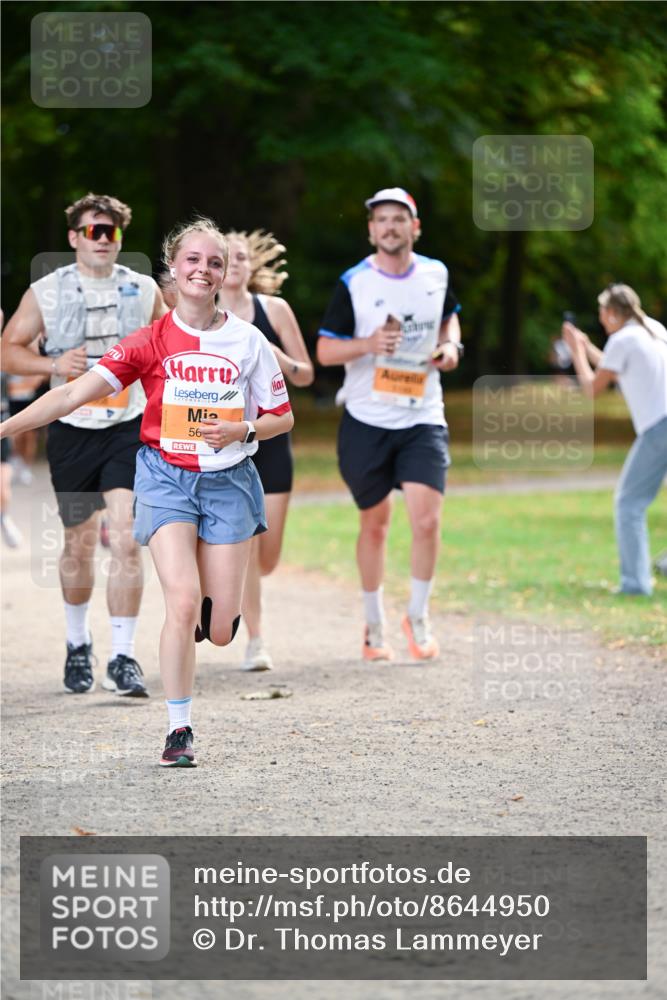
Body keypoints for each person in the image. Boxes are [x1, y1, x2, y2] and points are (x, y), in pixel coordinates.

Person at [0, 218, 294, 767]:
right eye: (193, 260)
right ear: (173, 269)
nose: (203, 269)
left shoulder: (248, 340)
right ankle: (178, 728)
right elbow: (67, 398)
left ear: (224, 272)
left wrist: (243, 430)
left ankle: (216, 617)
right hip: (166, 478)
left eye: (214, 262)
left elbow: (283, 415)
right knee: (181, 601)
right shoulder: (150, 341)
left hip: (231, 481)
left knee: (224, 630)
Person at [1, 193, 166, 696]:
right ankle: (78, 645)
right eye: (93, 231)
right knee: (79, 542)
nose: (102, 239)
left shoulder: (143, 290)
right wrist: (54, 366)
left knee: (127, 533)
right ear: (74, 237)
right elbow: (8, 349)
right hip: (71, 428)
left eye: (111, 232)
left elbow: (169, 347)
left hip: (127, 428)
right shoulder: (46, 292)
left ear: (120, 238)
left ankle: (123, 656)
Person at [317, 187, 462, 661]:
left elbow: (449, 320)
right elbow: (324, 351)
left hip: (423, 415)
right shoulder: (354, 281)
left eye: (399, 218)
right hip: (366, 418)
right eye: (381, 220)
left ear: (415, 227)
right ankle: (373, 625)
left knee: (427, 518)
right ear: (371, 230)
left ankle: (418, 617)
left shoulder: (436, 274)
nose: (390, 226)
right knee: (375, 523)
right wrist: (369, 344)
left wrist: (451, 347)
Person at [215, 229, 313, 671]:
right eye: (225, 257)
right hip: (224, 444)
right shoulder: (204, 315)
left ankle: (226, 587)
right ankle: (256, 640)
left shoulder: (274, 310)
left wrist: (274, 353)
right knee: (250, 547)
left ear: (251, 264)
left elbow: (307, 374)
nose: (234, 263)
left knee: (268, 555)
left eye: (240, 256)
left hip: (271, 438)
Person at [563, 283, 667, 596]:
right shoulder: (653, 328)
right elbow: (617, 368)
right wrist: (590, 347)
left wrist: (578, 353)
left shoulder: (622, 340)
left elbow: (593, 389)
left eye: (601, 313)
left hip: (659, 427)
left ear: (611, 313)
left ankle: (635, 585)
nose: (600, 319)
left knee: (628, 503)